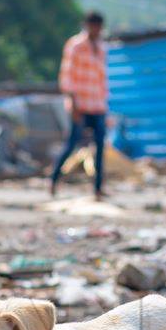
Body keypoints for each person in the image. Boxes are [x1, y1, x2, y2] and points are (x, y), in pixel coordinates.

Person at [51, 11, 109, 199]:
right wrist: (74, 105)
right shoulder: (76, 45)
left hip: (97, 105)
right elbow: (67, 77)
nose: (96, 30)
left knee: (100, 147)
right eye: (93, 26)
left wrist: (105, 103)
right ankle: (53, 181)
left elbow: (102, 79)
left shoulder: (101, 47)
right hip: (80, 104)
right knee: (72, 144)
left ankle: (98, 189)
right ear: (87, 25)